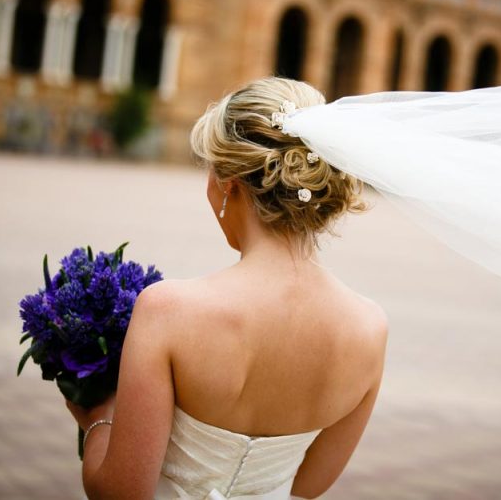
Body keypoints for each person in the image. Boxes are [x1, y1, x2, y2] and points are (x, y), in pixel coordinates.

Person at [66, 77, 388, 499]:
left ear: (228, 186)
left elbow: (121, 493)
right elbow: (305, 488)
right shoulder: (369, 329)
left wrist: (97, 418)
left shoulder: (168, 311)